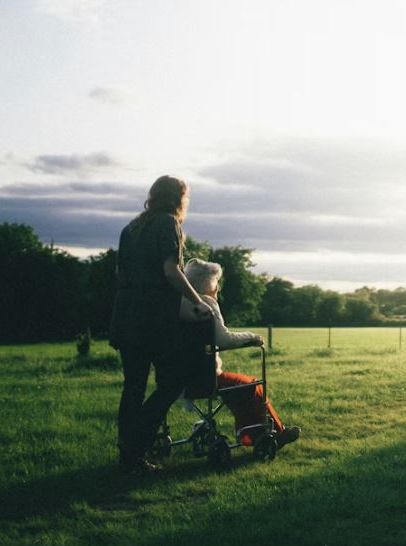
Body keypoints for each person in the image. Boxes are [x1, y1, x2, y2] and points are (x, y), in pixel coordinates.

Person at [110, 175, 212, 474]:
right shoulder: (168, 224)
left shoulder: (131, 228)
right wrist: (198, 300)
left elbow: (121, 272)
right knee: (171, 383)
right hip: (153, 319)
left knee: (134, 387)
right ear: (178, 198)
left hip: (126, 315)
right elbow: (171, 271)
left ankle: (128, 455)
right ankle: (135, 444)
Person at [179, 258, 301, 449]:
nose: (218, 289)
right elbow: (224, 340)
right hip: (205, 377)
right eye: (216, 284)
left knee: (237, 387)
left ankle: (249, 433)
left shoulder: (178, 304)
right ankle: (275, 432)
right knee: (251, 385)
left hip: (178, 377)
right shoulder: (206, 304)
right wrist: (252, 337)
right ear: (208, 284)